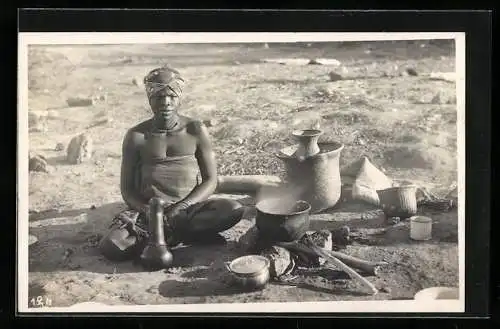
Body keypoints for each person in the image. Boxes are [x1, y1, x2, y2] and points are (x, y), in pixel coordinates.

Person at [99, 66, 245, 261]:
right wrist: (148, 212)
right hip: (148, 212)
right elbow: (127, 190)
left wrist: (182, 206)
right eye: (159, 97)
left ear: (179, 98)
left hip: (188, 210)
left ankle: (164, 235)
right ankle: (175, 234)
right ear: (149, 99)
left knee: (233, 210)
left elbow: (211, 180)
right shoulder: (136, 136)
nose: (165, 103)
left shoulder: (195, 129)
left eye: (171, 96)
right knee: (112, 247)